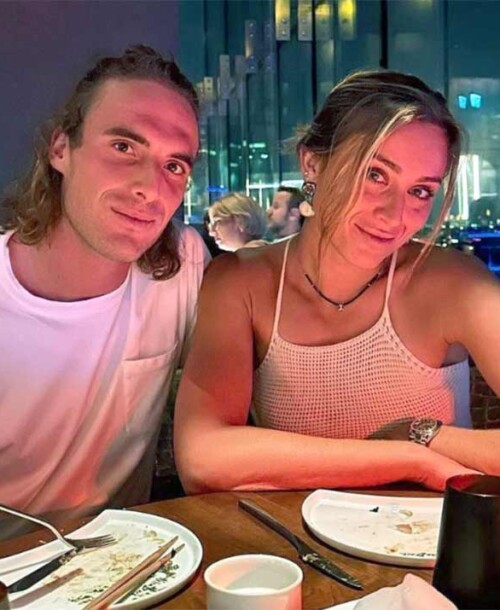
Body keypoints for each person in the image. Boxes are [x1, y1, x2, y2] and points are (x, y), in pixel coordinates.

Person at [174, 70, 500, 495]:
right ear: (313, 163)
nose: (394, 215)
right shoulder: (243, 282)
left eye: (420, 191)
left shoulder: (455, 283)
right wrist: (408, 457)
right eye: (375, 174)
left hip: (435, 536)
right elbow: (202, 457)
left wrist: (423, 434)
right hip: (289, 534)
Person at [0, 45, 209, 526]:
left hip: (127, 558)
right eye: (124, 148)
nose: (149, 188)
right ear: (60, 149)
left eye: (174, 166)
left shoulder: (182, 265)